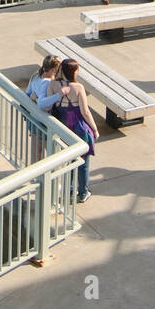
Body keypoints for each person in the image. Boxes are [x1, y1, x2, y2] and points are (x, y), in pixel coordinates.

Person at [48, 59, 100, 202]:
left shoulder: (53, 85)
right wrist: (95, 129)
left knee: (70, 159)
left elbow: (49, 104)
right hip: (78, 126)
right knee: (83, 159)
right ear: (73, 71)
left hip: (63, 126)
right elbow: (85, 112)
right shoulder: (78, 87)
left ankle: (69, 190)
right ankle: (83, 192)